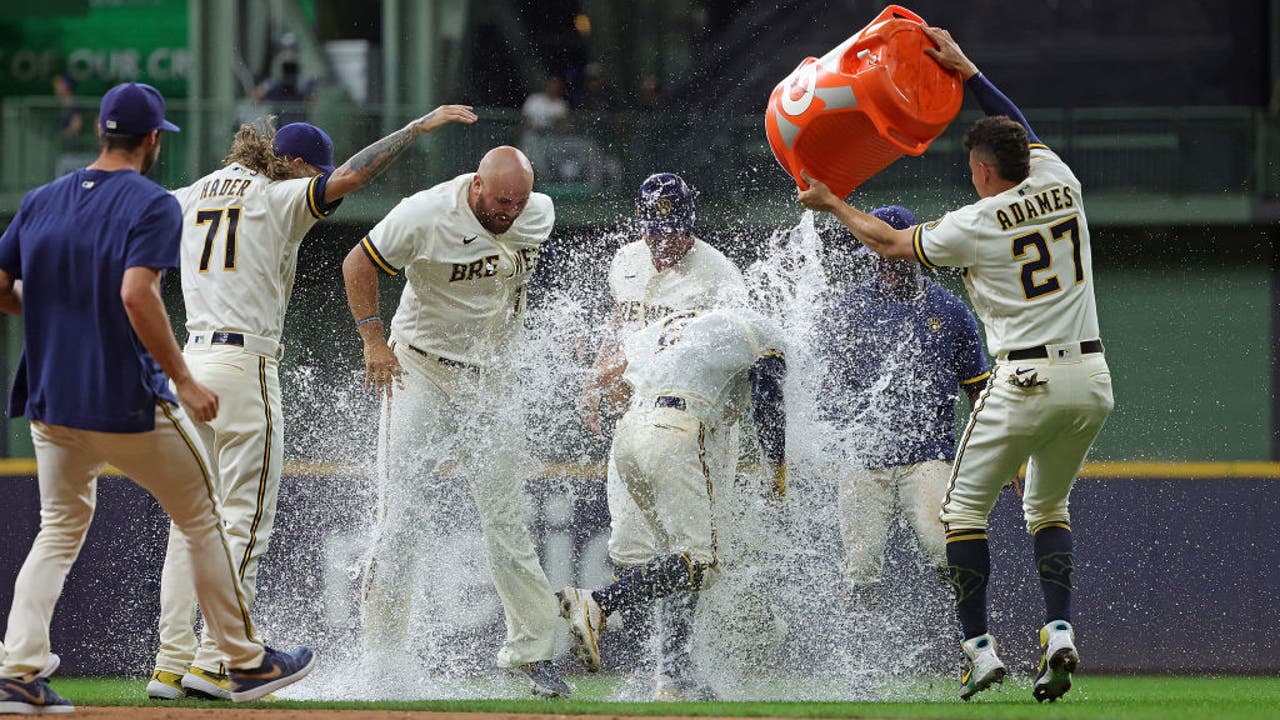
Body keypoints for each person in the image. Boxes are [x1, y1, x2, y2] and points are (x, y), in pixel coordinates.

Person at [798, 27, 1114, 703]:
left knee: (961, 516)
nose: (971, 170)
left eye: (974, 161)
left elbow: (886, 240)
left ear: (986, 172)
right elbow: (1019, 128)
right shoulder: (1062, 178)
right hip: (1091, 378)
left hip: (1024, 377)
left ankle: (977, 651)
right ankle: (1059, 630)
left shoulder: (978, 221)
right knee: (1049, 505)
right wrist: (969, 72)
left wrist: (831, 203)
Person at [0, 82, 313, 714]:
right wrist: (186, 380)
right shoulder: (150, 202)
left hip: (47, 399)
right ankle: (244, 662)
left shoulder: (39, 201)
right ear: (150, 141)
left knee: (57, 530)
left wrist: (54, 318)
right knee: (202, 515)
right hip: (120, 396)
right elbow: (138, 295)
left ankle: (17, 673)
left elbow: (3, 288)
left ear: (99, 133)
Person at [147, 106, 477, 701]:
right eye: (310, 171)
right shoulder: (279, 197)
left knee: (191, 523)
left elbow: (130, 215)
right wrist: (417, 128)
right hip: (242, 366)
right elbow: (351, 177)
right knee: (244, 518)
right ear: (295, 164)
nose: (316, 181)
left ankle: (171, 661)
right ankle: (223, 657)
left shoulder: (194, 191)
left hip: (190, 362)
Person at [341, 145, 570, 698]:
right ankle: (383, 658)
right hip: (421, 368)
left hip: (491, 381)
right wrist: (373, 338)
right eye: (500, 201)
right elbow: (357, 262)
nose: (509, 211)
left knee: (507, 518)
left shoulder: (538, 212)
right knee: (400, 515)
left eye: (518, 201)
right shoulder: (425, 212)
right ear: (475, 187)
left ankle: (532, 653)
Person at [578, 172, 746, 700]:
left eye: (673, 232)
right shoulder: (625, 260)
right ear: (642, 224)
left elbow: (733, 356)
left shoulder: (719, 274)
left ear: (690, 225)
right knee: (634, 546)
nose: (663, 242)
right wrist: (598, 376)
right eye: (655, 231)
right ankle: (669, 667)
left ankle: (671, 668)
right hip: (636, 422)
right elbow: (618, 323)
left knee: (694, 553)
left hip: (698, 427)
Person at [561, 308, 787, 690]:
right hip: (678, 430)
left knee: (673, 563)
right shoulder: (766, 331)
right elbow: (768, 393)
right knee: (701, 563)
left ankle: (673, 678)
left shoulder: (668, 327)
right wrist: (777, 467)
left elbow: (620, 382)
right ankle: (598, 601)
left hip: (630, 434)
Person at [816, 206, 990, 597]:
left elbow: (978, 390)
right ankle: (856, 653)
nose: (886, 265)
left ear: (912, 252)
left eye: (893, 255)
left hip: (927, 456)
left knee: (946, 549)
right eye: (878, 257)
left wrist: (995, 450)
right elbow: (825, 388)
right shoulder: (848, 309)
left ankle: (974, 640)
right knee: (859, 568)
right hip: (862, 456)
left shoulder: (950, 310)